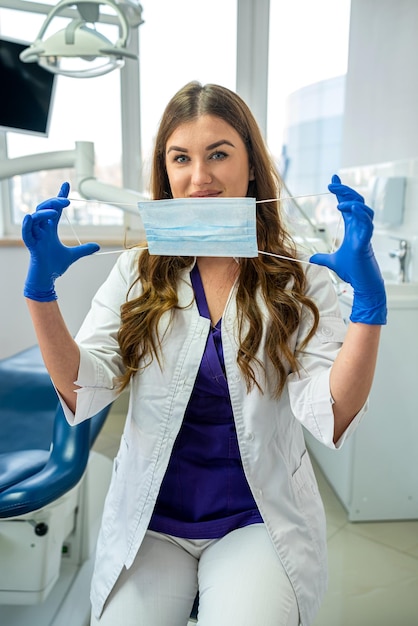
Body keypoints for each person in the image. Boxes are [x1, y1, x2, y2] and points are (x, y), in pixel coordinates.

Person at [21, 81, 386, 626]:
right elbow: (83, 387)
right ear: (165, 176)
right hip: (152, 521)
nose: (200, 177)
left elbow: (330, 411)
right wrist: (41, 297)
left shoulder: (299, 279)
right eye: (181, 158)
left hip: (255, 518)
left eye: (219, 153)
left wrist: (368, 315)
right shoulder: (135, 274)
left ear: (251, 167)